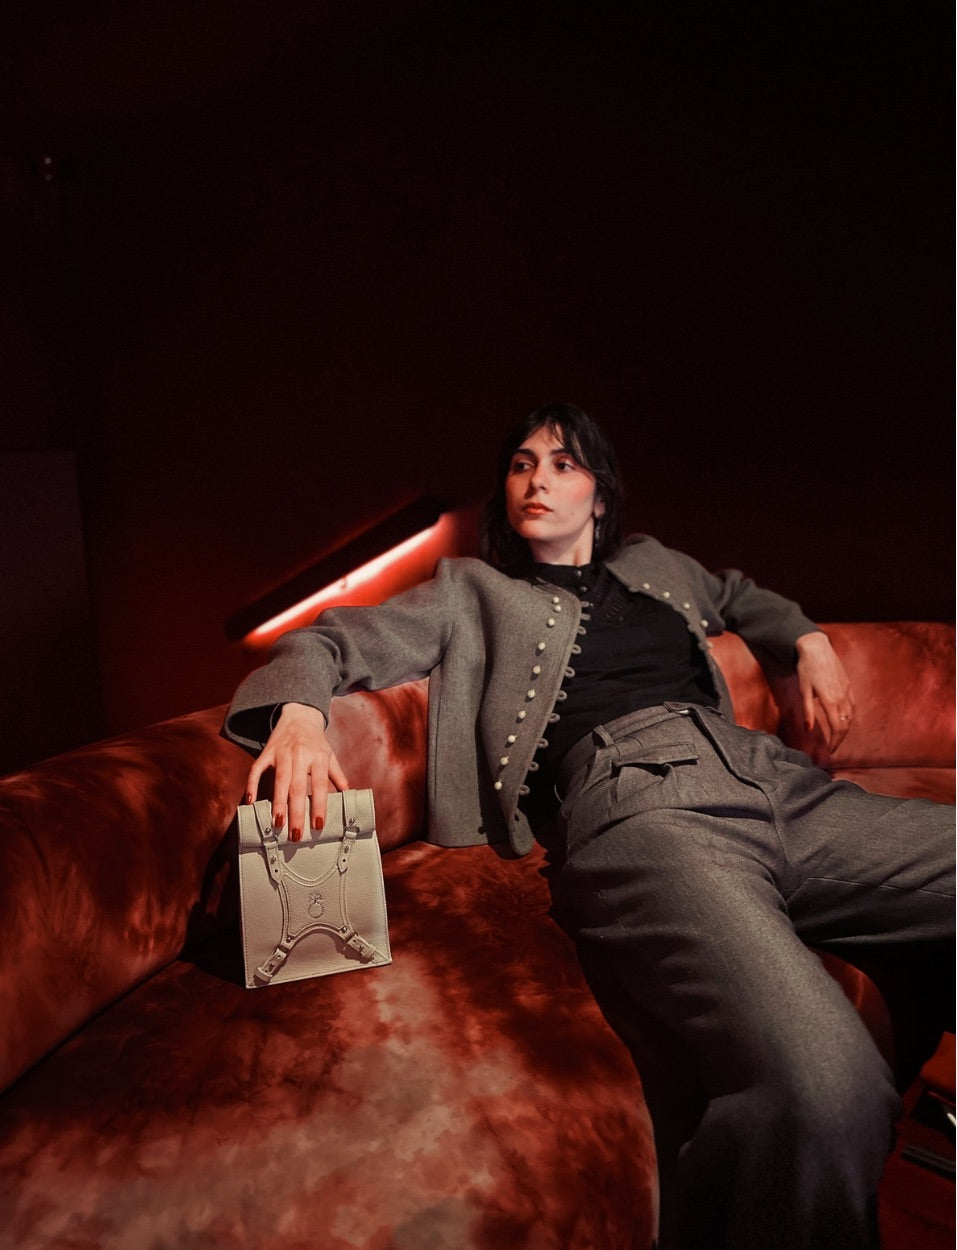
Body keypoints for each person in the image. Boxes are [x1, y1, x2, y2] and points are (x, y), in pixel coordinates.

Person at [223, 402, 954, 1250]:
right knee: (827, 1084)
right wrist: (301, 719)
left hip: (778, 781)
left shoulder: (656, 567)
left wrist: (808, 640)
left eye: (563, 464)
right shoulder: (471, 590)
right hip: (641, 799)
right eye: (521, 464)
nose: (537, 479)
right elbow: (333, 638)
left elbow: (737, 595)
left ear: (600, 496)